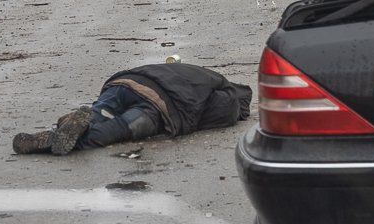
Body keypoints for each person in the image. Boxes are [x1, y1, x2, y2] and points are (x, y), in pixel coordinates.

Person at [13, 62, 253, 155]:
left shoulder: (197, 71)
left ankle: (64, 128)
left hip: (124, 83)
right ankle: (68, 141)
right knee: (116, 129)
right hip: (157, 105)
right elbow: (219, 111)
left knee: (100, 112)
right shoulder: (228, 96)